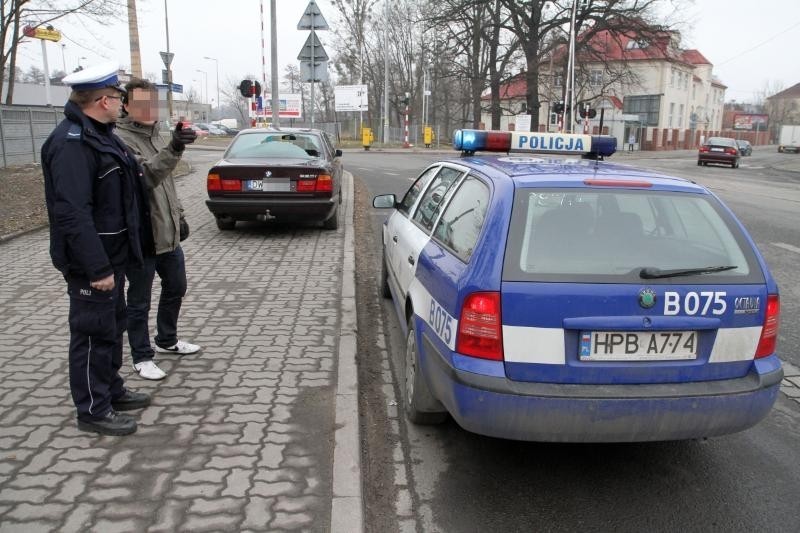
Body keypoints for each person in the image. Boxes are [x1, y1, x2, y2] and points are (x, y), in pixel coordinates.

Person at [41, 62, 151, 436]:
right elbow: (72, 214)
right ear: (103, 100)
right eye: (119, 98)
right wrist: (97, 268)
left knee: (112, 326)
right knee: (92, 333)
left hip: (115, 254)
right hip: (95, 262)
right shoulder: (71, 143)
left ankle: (111, 389)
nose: (123, 104)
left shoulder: (102, 135)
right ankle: (92, 409)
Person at [115, 78, 200, 381]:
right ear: (126, 105)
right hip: (141, 237)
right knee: (139, 300)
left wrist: (179, 217)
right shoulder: (120, 140)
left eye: (153, 103)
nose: (148, 109)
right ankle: (141, 356)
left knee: (176, 286)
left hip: (168, 234)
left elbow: (168, 186)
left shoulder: (155, 135)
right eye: (140, 103)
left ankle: (167, 339)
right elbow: (147, 176)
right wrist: (175, 147)